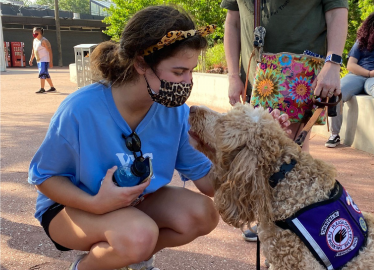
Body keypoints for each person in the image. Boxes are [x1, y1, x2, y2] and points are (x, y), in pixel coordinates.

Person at [28, 6, 290, 270]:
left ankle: (130, 251)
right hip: (71, 209)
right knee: (139, 235)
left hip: (133, 205)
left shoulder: (175, 113)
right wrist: (95, 204)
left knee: (202, 214)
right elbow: (44, 177)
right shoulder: (80, 109)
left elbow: (210, 185)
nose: (188, 82)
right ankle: (89, 266)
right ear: (141, 63)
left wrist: (262, 146)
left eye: (191, 71)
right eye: (178, 72)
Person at [220, 0, 348, 241]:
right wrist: (233, 75)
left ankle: (285, 223)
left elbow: (337, 12)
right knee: (269, 152)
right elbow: (233, 21)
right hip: (254, 71)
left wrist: (333, 63)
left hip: (298, 70)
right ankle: (282, 221)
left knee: (285, 152)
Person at [326, 9, 374, 148]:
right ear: (371, 29)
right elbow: (350, 65)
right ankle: (334, 134)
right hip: (358, 75)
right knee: (338, 93)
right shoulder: (362, 40)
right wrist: (368, 73)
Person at [29, 27, 56, 94]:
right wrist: (31, 59)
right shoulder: (35, 40)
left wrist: (51, 61)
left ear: (40, 33)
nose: (34, 34)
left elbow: (50, 51)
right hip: (39, 60)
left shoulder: (44, 41)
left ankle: (42, 88)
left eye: (35, 33)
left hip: (44, 59)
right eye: (33, 32)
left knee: (42, 73)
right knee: (46, 75)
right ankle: (52, 87)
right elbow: (34, 50)